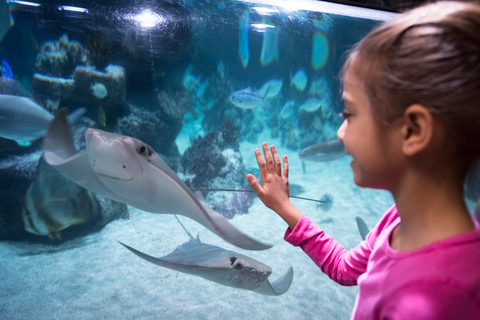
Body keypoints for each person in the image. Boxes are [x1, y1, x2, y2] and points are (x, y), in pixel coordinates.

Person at [246, 2, 480, 319]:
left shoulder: (432, 302)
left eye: (350, 115)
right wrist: (284, 207)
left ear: (413, 131)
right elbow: (344, 269)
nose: (341, 133)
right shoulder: (397, 221)